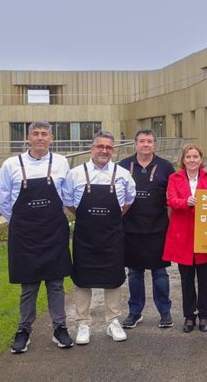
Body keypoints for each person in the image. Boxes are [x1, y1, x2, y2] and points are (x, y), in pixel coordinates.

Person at [0, 121, 74, 354]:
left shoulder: (61, 162)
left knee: (56, 284)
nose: (40, 138)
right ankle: (23, 330)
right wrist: (21, 221)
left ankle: (60, 328)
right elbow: (2, 200)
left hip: (54, 231)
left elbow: (66, 194)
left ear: (51, 138)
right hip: (25, 234)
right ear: (28, 138)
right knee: (28, 285)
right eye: (36, 134)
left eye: (45, 134)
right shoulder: (11, 164)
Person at [63, 130, 136, 345]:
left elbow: (129, 200)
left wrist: (111, 218)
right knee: (82, 280)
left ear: (113, 150)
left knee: (113, 279)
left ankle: (113, 321)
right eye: (100, 146)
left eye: (108, 147)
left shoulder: (123, 174)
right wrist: (87, 218)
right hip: (85, 236)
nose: (104, 151)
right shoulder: (75, 173)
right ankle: (83, 324)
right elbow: (68, 201)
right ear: (91, 148)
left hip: (112, 236)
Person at [118, 129, 175, 329]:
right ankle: (135, 312)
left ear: (154, 145)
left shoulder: (166, 167)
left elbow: (172, 198)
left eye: (149, 141)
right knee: (134, 273)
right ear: (135, 144)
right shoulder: (123, 166)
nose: (145, 144)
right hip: (131, 229)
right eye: (141, 141)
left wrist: (169, 225)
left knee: (160, 273)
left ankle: (164, 311)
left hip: (158, 228)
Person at [163, 144, 207, 333]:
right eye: (188, 157)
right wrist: (185, 202)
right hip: (183, 234)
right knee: (186, 279)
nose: (192, 160)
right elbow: (171, 200)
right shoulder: (174, 178)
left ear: (201, 159)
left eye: (195, 156)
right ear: (183, 159)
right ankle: (189, 316)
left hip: (205, 233)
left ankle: (204, 315)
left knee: (205, 279)